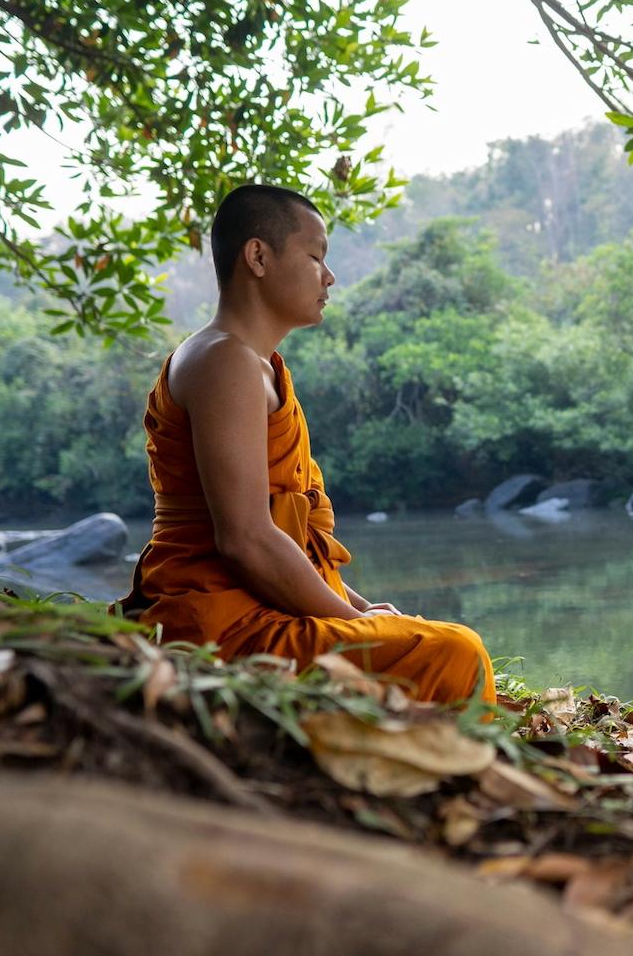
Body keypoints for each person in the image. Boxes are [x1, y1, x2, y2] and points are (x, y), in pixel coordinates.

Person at [118, 183, 495, 707]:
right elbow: (246, 538)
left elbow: (293, 541)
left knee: (425, 636)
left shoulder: (256, 366)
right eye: (316, 256)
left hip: (262, 608)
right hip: (223, 626)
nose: (329, 276)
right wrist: (355, 622)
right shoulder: (223, 362)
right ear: (258, 256)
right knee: (458, 653)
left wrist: (364, 609)